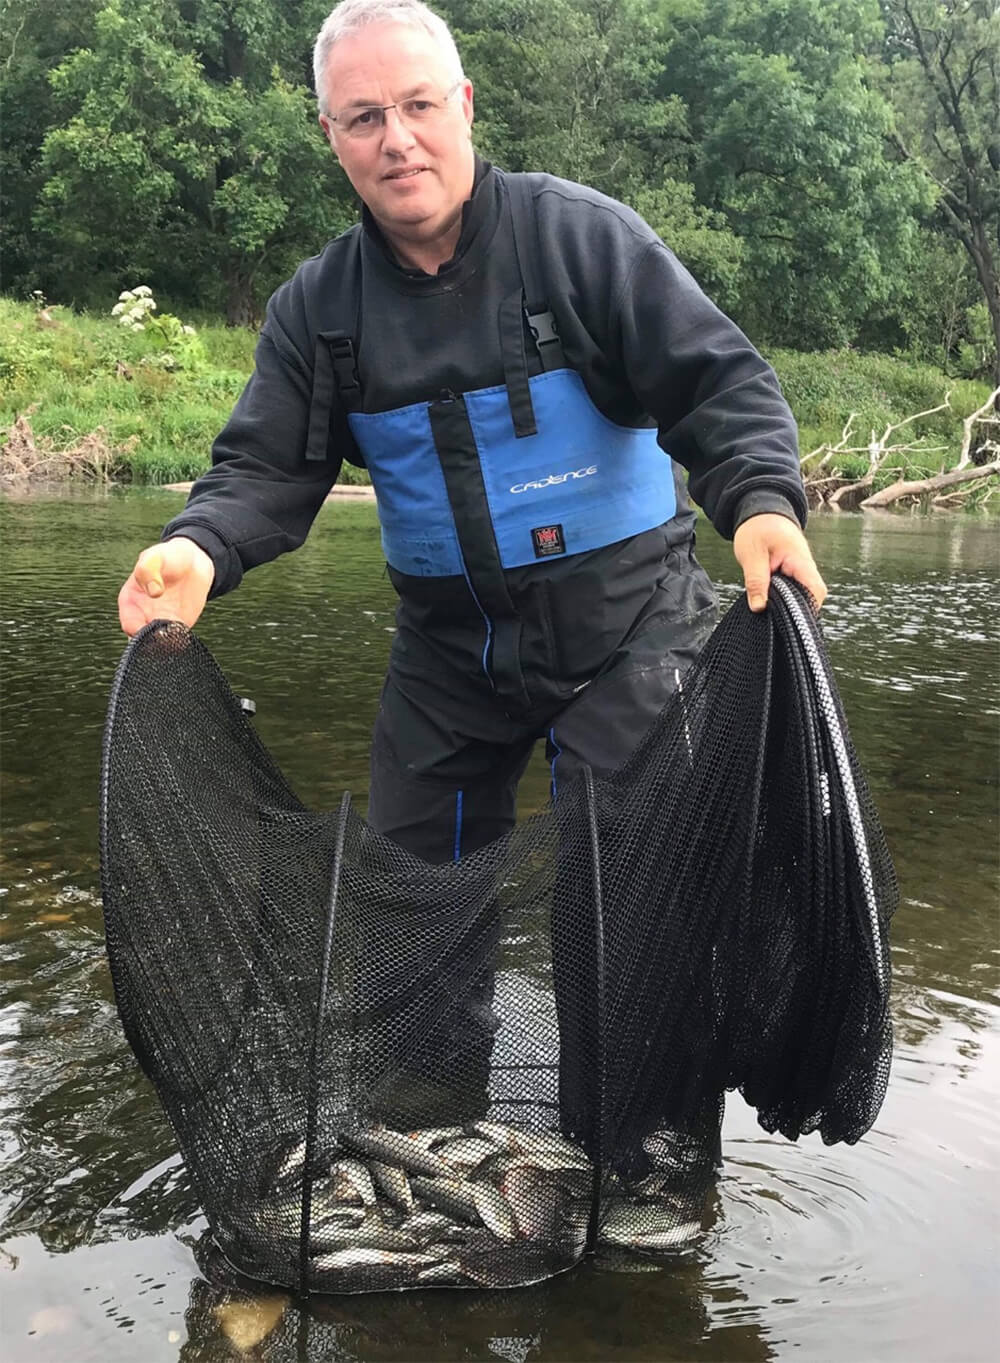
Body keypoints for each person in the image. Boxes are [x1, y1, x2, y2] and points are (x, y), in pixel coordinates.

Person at [118, 0, 826, 866]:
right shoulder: (317, 308)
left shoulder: (580, 237)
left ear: (464, 104)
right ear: (331, 134)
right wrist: (198, 547)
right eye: (366, 117)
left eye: (418, 105)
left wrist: (762, 504)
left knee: (626, 896)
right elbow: (263, 469)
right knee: (409, 918)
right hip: (448, 656)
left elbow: (719, 380)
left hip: (630, 626)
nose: (398, 139)